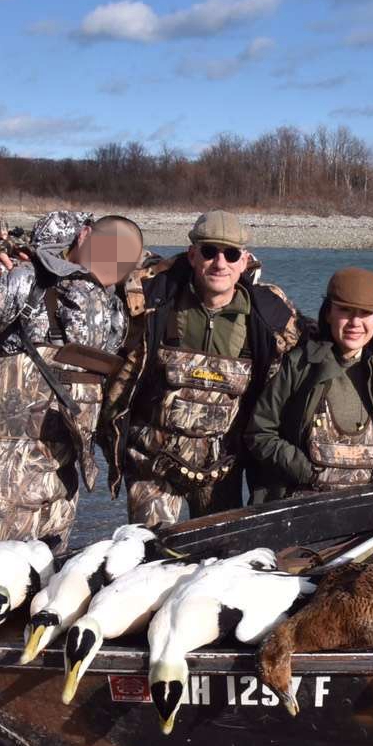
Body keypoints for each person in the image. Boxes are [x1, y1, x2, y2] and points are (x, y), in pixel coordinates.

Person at [0, 210, 144, 550]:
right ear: (84, 236)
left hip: (61, 467)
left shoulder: (115, 305)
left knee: (47, 576)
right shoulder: (20, 277)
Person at [100, 210, 301, 528]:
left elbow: (330, 338)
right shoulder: (153, 296)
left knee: (216, 559)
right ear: (192, 254)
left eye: (231, 254)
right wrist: (0, 244)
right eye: (209, 251)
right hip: (151, 465)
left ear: (245, 261)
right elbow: (90, 254)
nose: (220, 263)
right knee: (149, 557)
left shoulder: (269, 314)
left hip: (221, 469)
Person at [245, 267, 373, 502]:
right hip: (298, 501)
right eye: (344, 310)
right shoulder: (298, 365)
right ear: (328, 313)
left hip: (365, 502)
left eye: (365, 313)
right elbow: (260, 432)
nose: (355, 322)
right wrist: (305, 471)